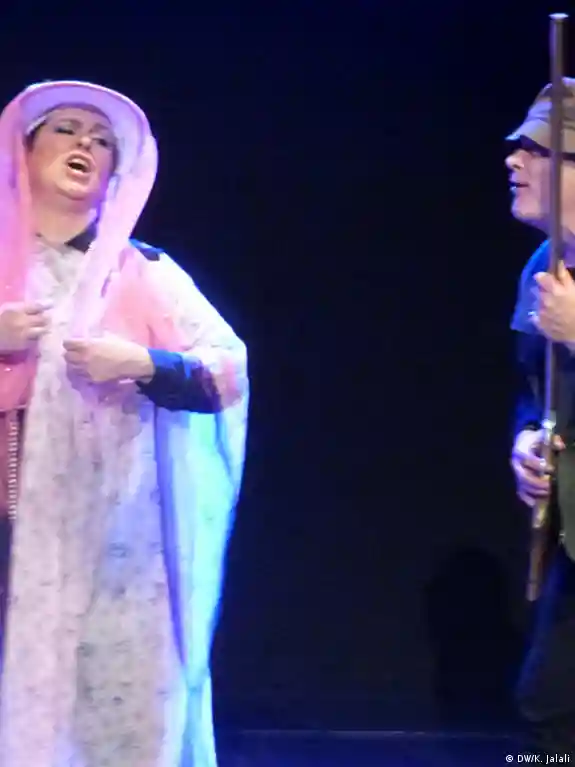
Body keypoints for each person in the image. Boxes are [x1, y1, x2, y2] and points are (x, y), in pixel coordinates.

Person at [0, 80, 249, 766]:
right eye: (66, 129)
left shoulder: (144, 273)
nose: (85, 143)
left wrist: (143, 362)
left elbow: (226, 370)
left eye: (103, 140)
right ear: (22, 151)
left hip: (111, 548)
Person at [509, 79, 575, 754]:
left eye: (534, 149)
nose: (513, 161)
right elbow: (533, 387)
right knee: (548, 703)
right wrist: (526, 436)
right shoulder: (543, 265)